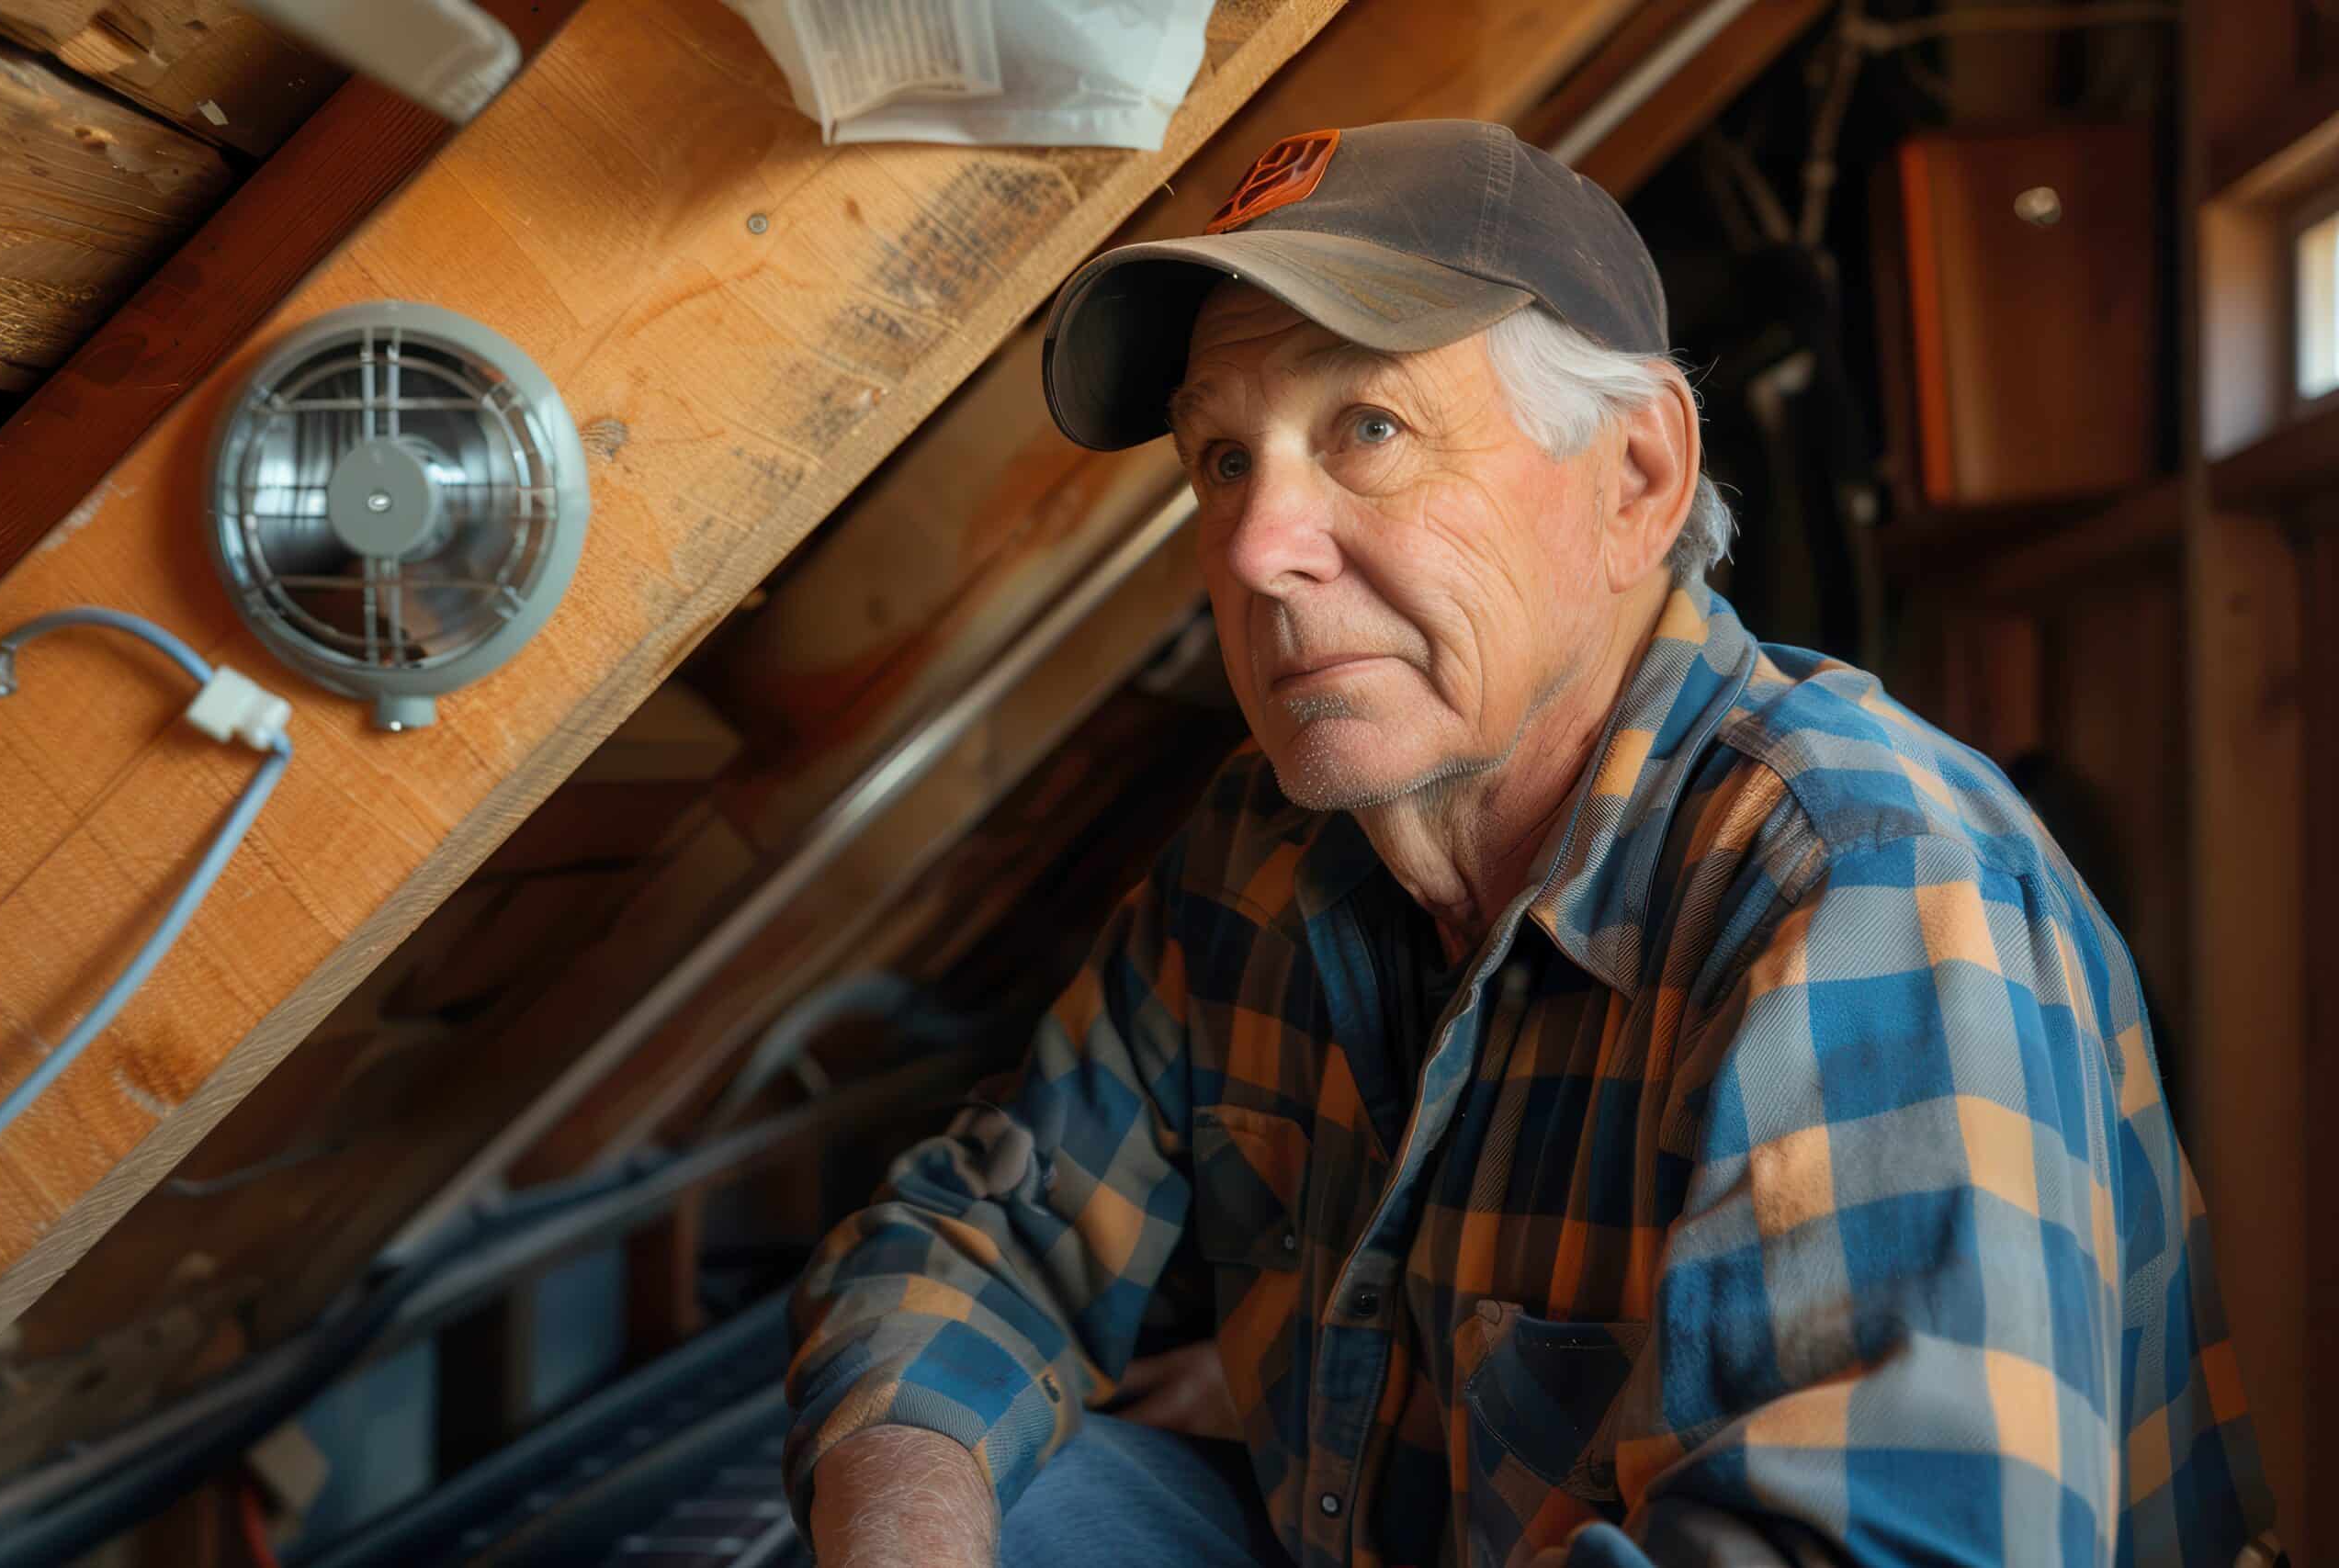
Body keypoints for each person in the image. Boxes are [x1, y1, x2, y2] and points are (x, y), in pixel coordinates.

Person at [781, 119, 2275, 1568]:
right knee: (982, 1489)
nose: (1251, 547)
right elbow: (973, 1244)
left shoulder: (1862, 882)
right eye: (1223, 461)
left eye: (1366, 427)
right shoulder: (1268, 846)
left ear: (1637, 479)